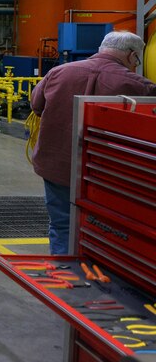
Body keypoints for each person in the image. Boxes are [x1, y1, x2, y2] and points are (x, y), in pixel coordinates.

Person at [29, 30, 156, 255]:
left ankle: (65, 272)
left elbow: (36, 106)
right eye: (137, 59)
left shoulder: (58, 72)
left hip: (58, 164)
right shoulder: (141, 86)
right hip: (107, 173)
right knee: (107, 227)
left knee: (62, 224)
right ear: (131, 55)